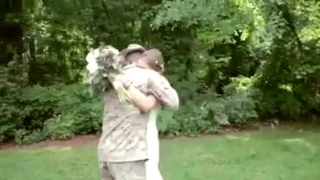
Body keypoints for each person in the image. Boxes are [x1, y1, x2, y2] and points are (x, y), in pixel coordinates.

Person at [98, 45, 179, 180]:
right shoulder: (149, 75)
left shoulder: (109, 79)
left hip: (106, 152)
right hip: (130, 153)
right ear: (143, 57)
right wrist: (156, 96)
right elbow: (174, 102)